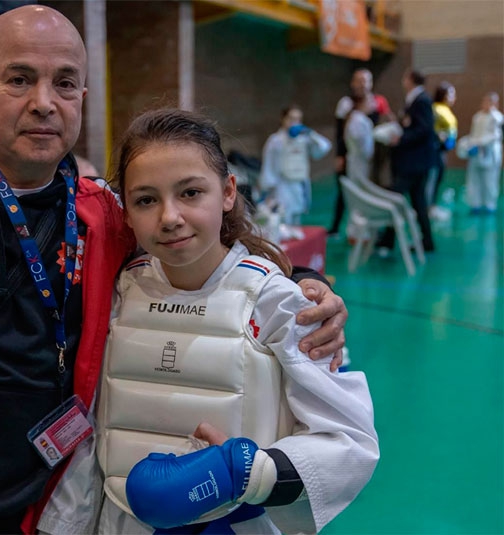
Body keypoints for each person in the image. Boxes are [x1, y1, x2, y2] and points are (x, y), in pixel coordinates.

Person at [0, 6, 350, 535]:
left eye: (64, 83)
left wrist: (299, 283)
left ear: (81, 97)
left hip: (44, 509)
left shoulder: (106, 214)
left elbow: (199, 249)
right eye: (19, 79)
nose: (44, 101)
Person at [94, 109, 378, 534]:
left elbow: (350, 440)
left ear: (228, 192)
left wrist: (247, 472)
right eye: (146, 199)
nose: (169, 217)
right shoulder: (117, 293)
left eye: (190, 193)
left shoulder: (282, 304)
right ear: (126, 211)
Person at [329, 68, 391, 236]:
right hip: (353, 156)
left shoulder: (378, 102)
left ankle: (370, 228)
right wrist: (340, 155)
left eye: (366, 80)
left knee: (371, 189)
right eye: (359, 80)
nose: (362, 84)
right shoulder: (346, 104)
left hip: (373, 157)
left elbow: (387, 123)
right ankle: (339, 227)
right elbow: (340, 131)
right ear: (352, 83)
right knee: (347, 190)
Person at [382, 69, 437, 253]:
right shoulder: (414, 99)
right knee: (418, 201)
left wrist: (402, 138)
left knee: (394, 196)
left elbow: (424, 128)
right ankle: (426, 241)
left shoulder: (421, 100)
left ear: (411, 79)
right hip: (412, 160)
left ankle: (388, 239)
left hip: (414, 162)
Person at [259, 106, 332, 225]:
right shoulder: (275, 141)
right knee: (283, 220)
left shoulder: (304, 139)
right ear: (283, 119)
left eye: (298, 119)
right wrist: (266, 188)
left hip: (299, 185)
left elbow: (324, 147)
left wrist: (311, 133)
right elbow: (269, 166)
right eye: (291, 118)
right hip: (282, 187)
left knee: (296, 221)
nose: (294, 122)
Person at [460, 92, 503, 214]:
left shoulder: (497, 118)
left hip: (490, 154)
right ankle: (476, 204)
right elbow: (474, 134)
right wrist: (468, 144)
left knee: (489, 181)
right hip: (476, 154)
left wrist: (478, 142)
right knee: (474, 180)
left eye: (488, 102)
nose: (485, 104)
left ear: (494, 103)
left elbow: (495, 136)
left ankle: (489, 205)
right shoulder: (477, 117)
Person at [427, 81, 458, 219]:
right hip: (434, 150)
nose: (453, 97)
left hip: (442, 150)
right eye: (451, 93)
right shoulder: (436, 109)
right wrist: (439, 137)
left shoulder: (445, 109)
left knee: (438, 177)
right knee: (432, 178)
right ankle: (428, 207)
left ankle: (432, 205)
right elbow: (432, 129)